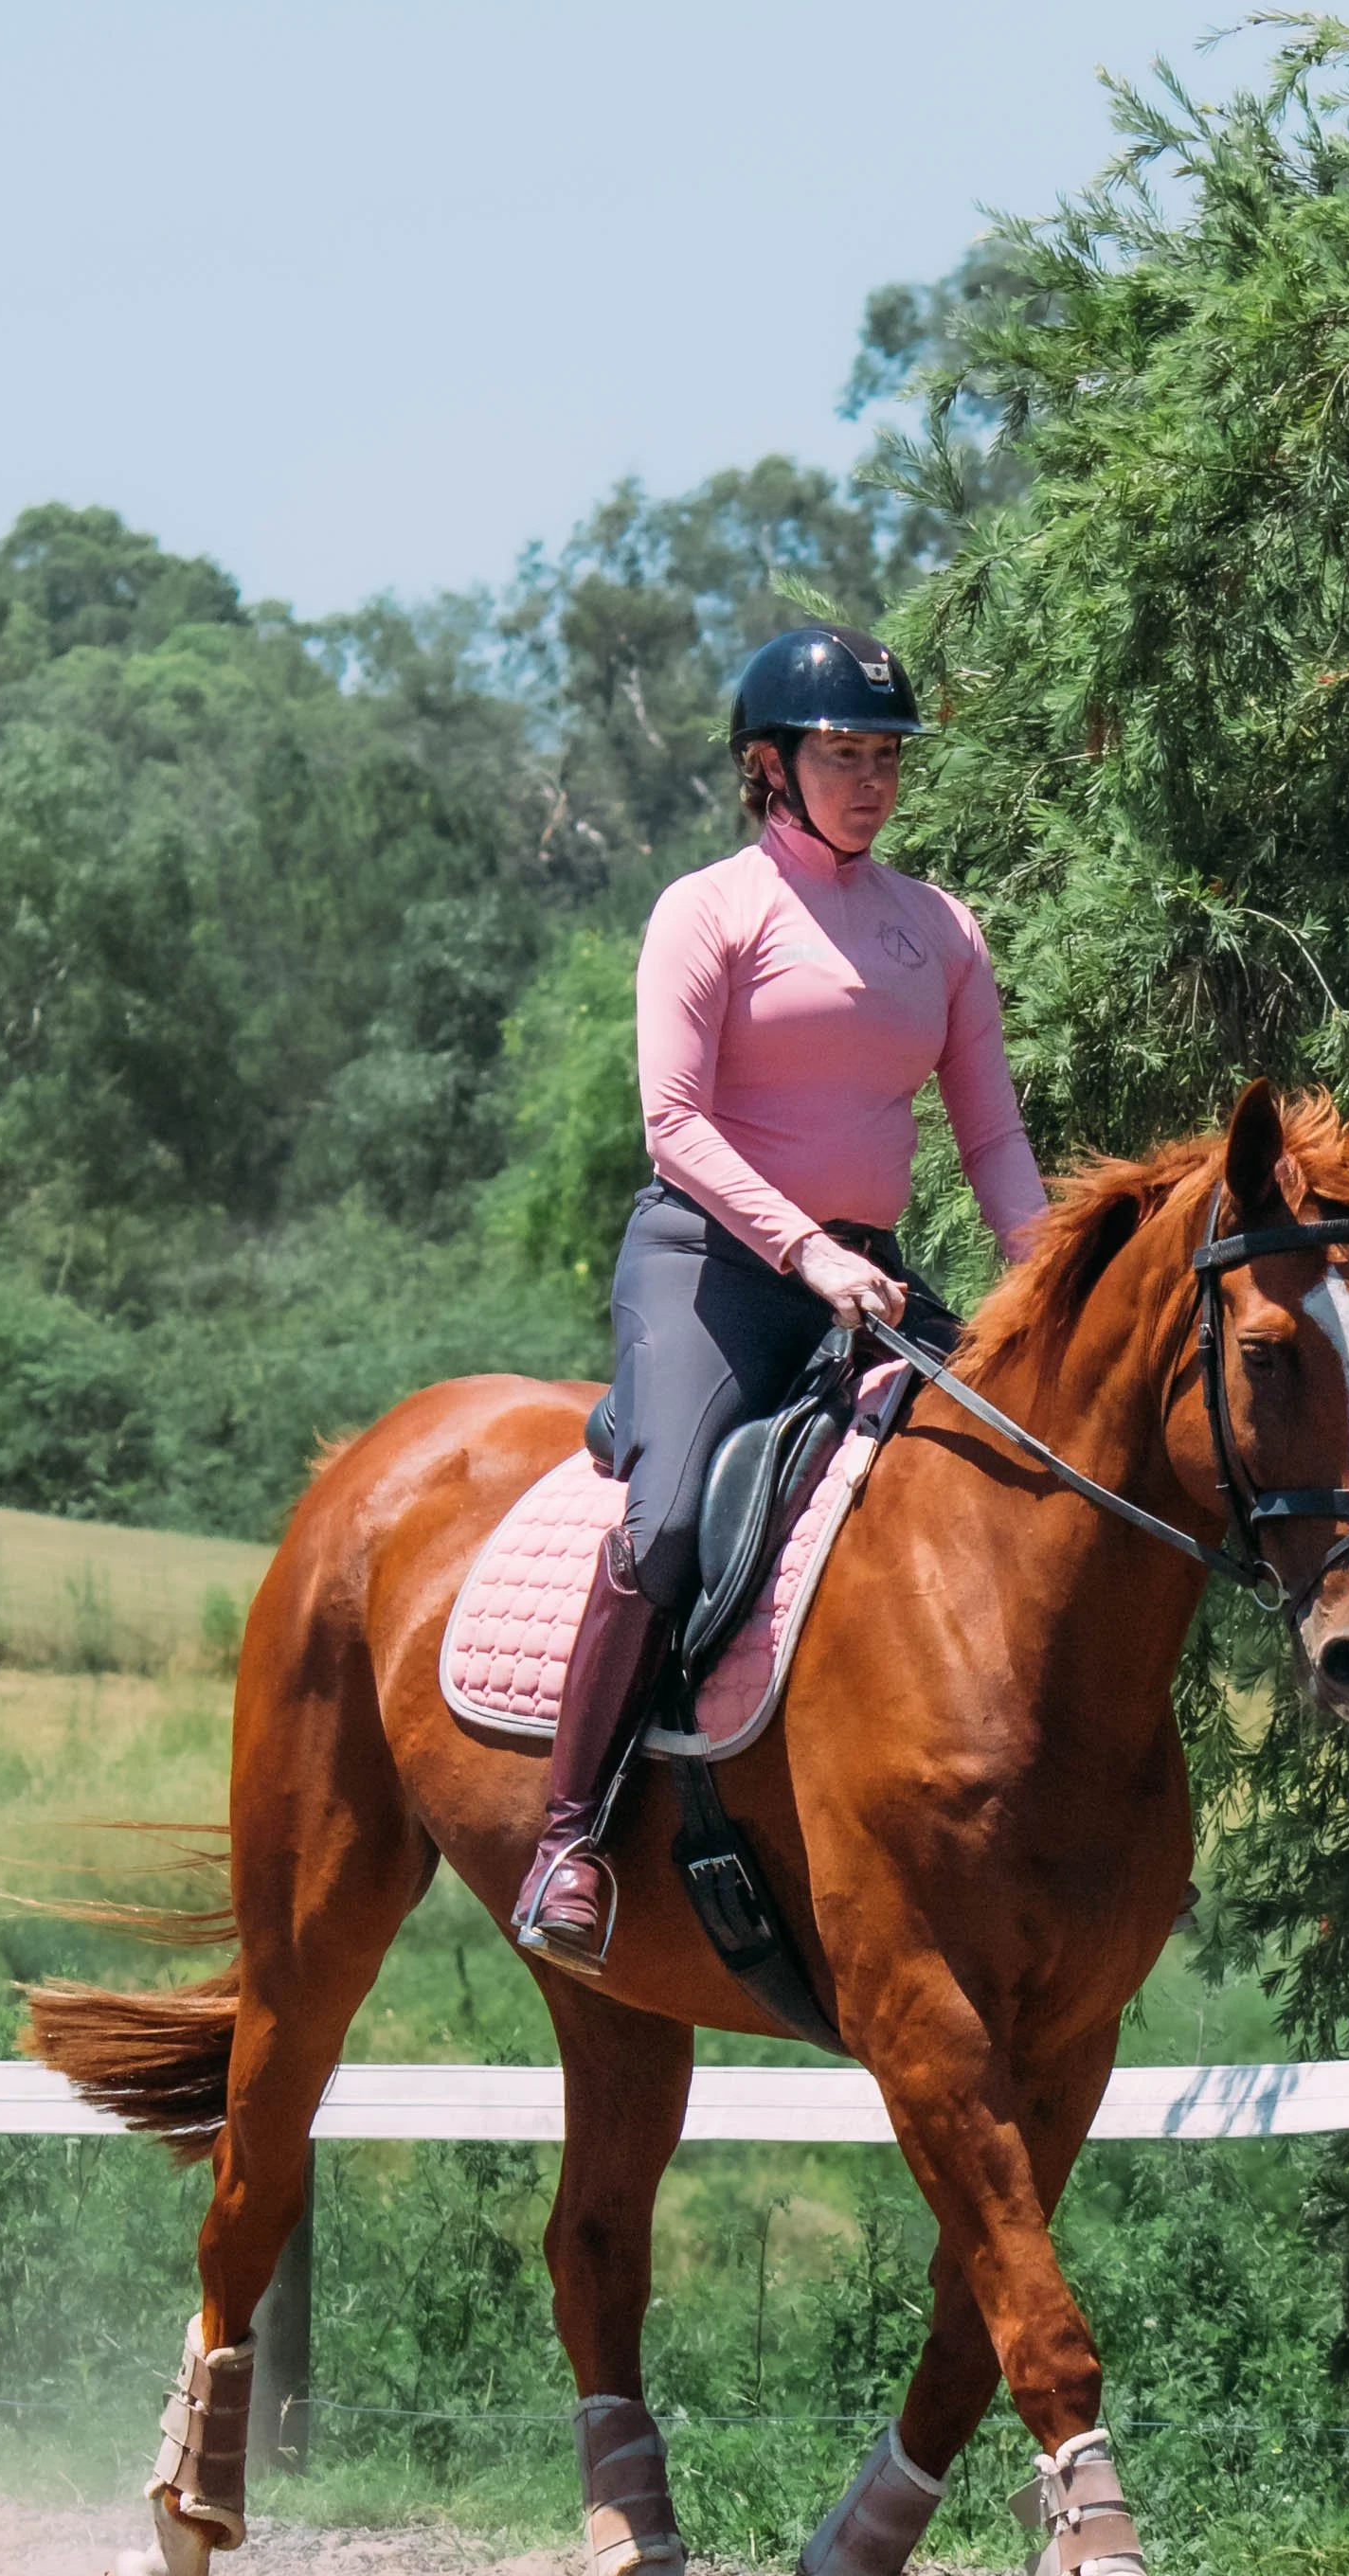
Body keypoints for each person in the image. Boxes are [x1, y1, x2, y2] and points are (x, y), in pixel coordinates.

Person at [511, 623, 1051, 1969]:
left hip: (865, 1275)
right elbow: (675, 1124)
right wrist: (806, 1252)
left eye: (887, 757)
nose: (871, 780)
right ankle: (568, 1842)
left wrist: (1045, 1279)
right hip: (712, 1265)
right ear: (770, 765)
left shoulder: (942, 931)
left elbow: (989, 1141)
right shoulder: (709, 909)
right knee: (677, 1511)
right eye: (841, 753)